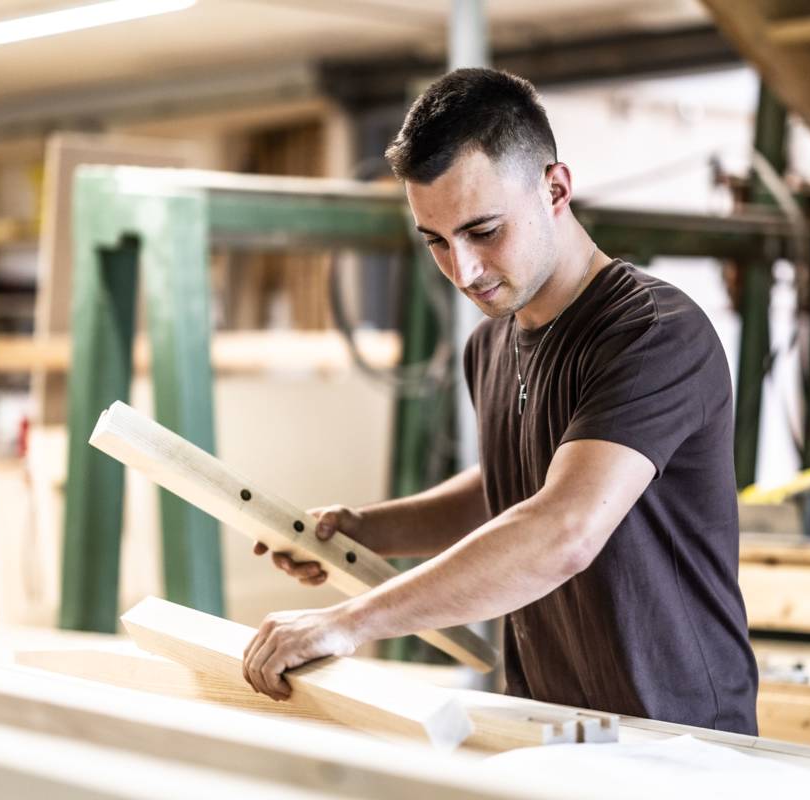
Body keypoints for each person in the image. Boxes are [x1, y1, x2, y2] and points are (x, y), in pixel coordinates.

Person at [243, 67, 758, 735]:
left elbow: (562, 527)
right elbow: (515, 487)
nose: (465, 271)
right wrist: (366, 531)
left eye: (483, 231)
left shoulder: (653, 334)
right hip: (557, 731)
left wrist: (350, 622)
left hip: (684, 744)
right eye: (436, 242)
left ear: (555, 189)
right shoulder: (491, 346)